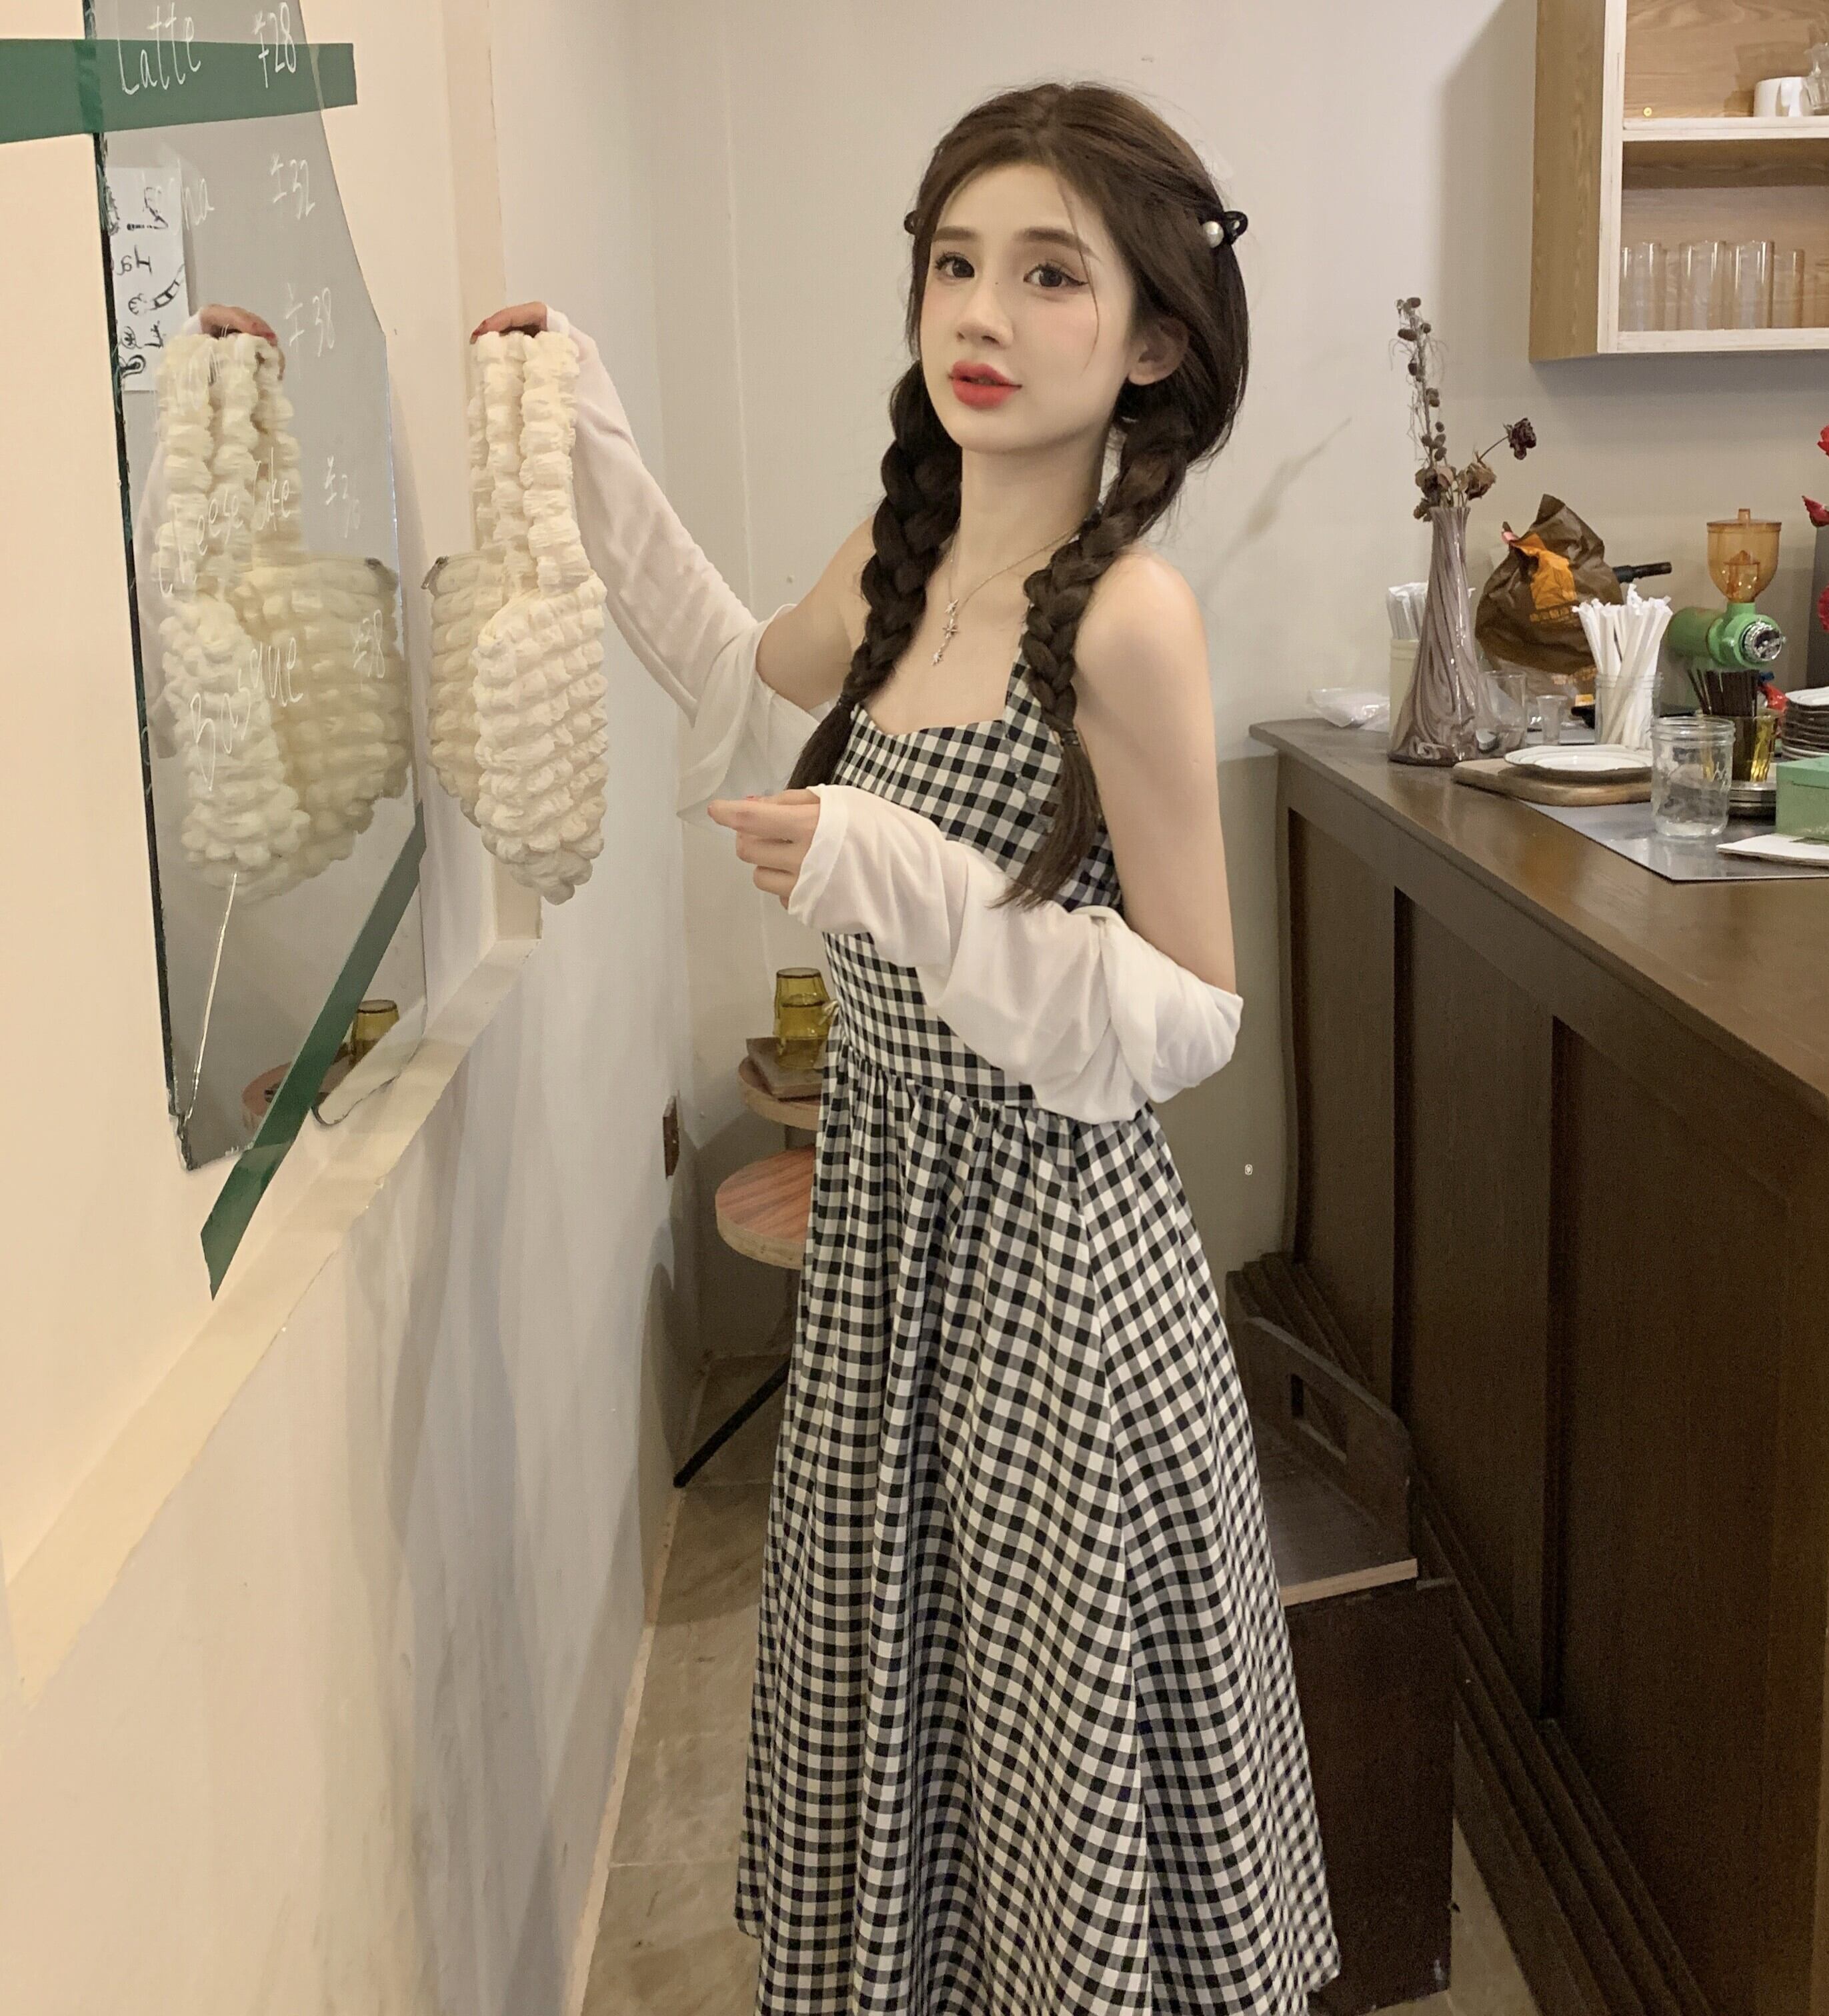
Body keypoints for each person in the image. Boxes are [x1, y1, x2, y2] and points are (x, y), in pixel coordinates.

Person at [475, 81, 1340, 2016]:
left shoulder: (1128, 620)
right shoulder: (905, 545)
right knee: (921, 1738)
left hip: (1055, 1272)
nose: (985, 314)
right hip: (890, 1241)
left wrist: (918, 885)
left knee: (1057, 1762)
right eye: (956, 264)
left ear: (1154, 341)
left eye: (1052, 274)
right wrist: (586, 432)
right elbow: (734, 673)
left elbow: (1194, 1016)